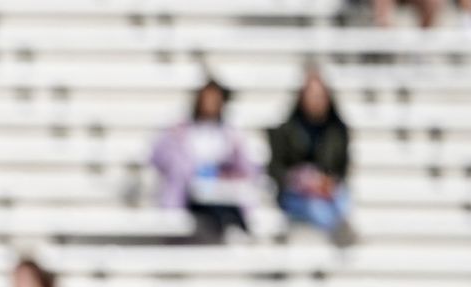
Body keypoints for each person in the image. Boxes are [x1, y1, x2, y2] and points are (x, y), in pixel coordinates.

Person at [150, 78, 258, 243]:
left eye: (215, 100)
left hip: (218, 192)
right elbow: (158, 156)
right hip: (189, 195)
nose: (210, 104)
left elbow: (247, 170)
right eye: (207, 99)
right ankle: (233, 225)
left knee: (224, 205)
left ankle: (237, 226)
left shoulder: (229, 134)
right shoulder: (181, 130)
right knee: (214, 207)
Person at [268, 68, 356, 246]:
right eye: (311, 95)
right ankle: (338, 233)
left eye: (319, 95)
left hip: (328, 192)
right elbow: (277, 168)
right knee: (316, 208)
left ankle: (340, 233)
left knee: (341, 199)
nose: (315, 100)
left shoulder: (338, 131)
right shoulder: (286, 131)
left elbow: (342, 170)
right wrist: (301, 181)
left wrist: (326, 183)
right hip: (296, 195)